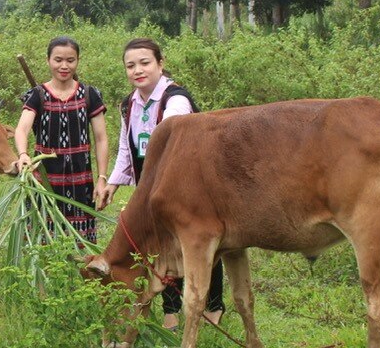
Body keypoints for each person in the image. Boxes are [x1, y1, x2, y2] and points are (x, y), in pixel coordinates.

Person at [97, 37, 225, 330]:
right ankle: (171, 309)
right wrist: (113, 184)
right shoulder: (129, 104)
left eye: (145, 63)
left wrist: (149, 190)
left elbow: (170, 148)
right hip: (151, 184)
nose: (137, 70)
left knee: (200, 240)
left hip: (186, 181)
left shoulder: (175, 100)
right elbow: (126, 149)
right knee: (161, 245)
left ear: (160, 64)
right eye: (131, 66)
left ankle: (214, 306)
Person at [13, 36, 110, 244]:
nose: (64, 66)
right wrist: (23, 154)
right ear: (48, 60)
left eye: (70, 60)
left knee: (80, 244)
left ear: (77, 61)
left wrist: (102, 178)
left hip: (80, 180)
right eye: (58, 60)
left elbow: (101, 139)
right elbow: (21, 130)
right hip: (45, 181)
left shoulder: (89, 94)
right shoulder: (37, 95)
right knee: (43, 242)